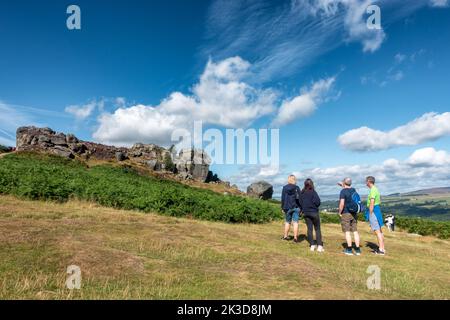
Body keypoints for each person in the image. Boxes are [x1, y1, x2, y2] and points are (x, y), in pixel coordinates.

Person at [338, 178, 362, 256]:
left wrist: (339, 212)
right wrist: (343, 185)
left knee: (347, 232)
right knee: (355, 231)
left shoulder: (343, 191)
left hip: (346, 213)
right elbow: (348, 189)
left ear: (344, 183)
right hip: (354, 213)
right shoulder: (353, 190)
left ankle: (349, 249)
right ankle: (358, 249)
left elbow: (342, 204)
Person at [299, 178, 323, 252]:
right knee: (317, 229)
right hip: (314, 212)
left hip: (306, 213)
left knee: (309, 229)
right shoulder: (313, 192)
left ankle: (312, 245)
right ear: (312, 184)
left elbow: (300, 202)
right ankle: (319, 246)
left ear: (305, 184)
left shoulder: (302, 192)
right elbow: (318, 202)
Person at [365, 176, 386, 255]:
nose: (365, 183)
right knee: (380, 231)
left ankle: (380, 250)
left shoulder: (373, 190)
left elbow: (372, 202)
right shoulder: (375, 189)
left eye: (366, 181)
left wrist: (370, 213)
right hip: (377, 211)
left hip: (374, 211)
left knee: (377, 232)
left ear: (369, 181)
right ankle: (382, 248)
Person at [281, 175, 301, 243]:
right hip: (296, 207)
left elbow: (283, 198)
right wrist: (301, 208)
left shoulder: (285, 188)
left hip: (287, 207)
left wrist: (282, 207)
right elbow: (300, 198)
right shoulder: (297, 188)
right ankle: (295, 238)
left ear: (288, 179)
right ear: (294, 180)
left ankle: (285, 236)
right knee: (295, 222)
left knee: (287, 222)